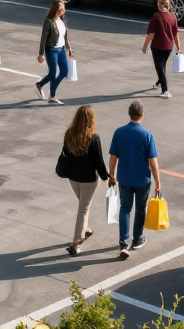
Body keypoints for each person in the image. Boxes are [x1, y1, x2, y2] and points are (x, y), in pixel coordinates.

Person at [108, 101, 161, 260]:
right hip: (142, 180)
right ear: (142, 115)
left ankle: (124, 241)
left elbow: (113, 157)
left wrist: (112, 175)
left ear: (129, 114)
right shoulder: (147, 135)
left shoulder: (119, 132)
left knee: (125, 208)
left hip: (124, 178)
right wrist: (158, 181)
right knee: (140, 208)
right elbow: (153, 161)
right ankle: (137, 239)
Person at [59, 105, 109, 255]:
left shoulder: (69, 134)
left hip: (73, 178)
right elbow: (98, 161)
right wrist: (106, 177)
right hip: (88, 179)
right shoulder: (93, 138)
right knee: (83, 209)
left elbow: (66, 153)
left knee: (83, 205)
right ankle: (76, 244)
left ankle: (85, 228)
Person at [142, 0, 181, 98]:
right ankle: (159, 82)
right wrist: (178, 47)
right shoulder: (173, 17)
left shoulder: (156, 17)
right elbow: (175, 34)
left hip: (157, 46)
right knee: (162, 66)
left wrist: (144, 46)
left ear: (159, 5)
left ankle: (165, 90)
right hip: (168, 47)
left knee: (159, 66)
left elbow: (150, 34)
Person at [36, 0, 72, 105]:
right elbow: (43, 38)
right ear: (55, 9)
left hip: (61, 49)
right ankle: (43, 88)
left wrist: (69, 48)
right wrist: (41, 54)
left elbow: (65, 37)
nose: (62, 10)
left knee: (64, 71)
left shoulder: (62, 22)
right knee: (52, 74)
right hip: (51, 49)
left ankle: (50, 94)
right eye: (60, 8)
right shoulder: (49, 22)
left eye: (63, 8)